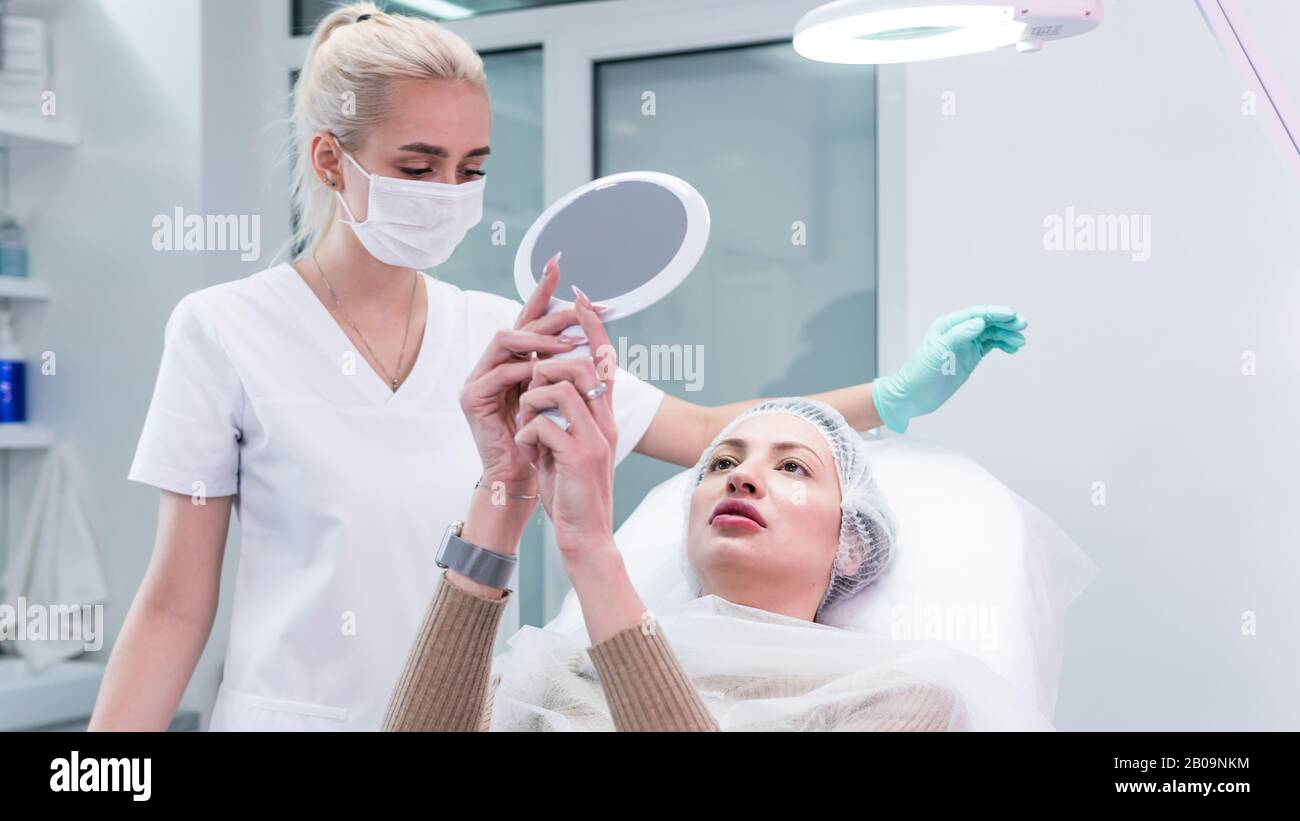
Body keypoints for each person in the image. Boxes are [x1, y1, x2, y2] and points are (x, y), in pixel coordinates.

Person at [91, 2, 1027, 731]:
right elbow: (176, 602)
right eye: (418, 166)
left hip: (475, 713)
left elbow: (710, 434)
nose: (449, 192)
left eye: (471, 166)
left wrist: (892, 396)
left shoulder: (506, 336)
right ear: (332, 161)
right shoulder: (224, 328)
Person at [383, 346, 1047, 731]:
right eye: (722, 462)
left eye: (793, 467)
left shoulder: (896, 701)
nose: (744, 477)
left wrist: (594, 551)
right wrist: (504, 493)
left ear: (852, 545)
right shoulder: (555, 677)